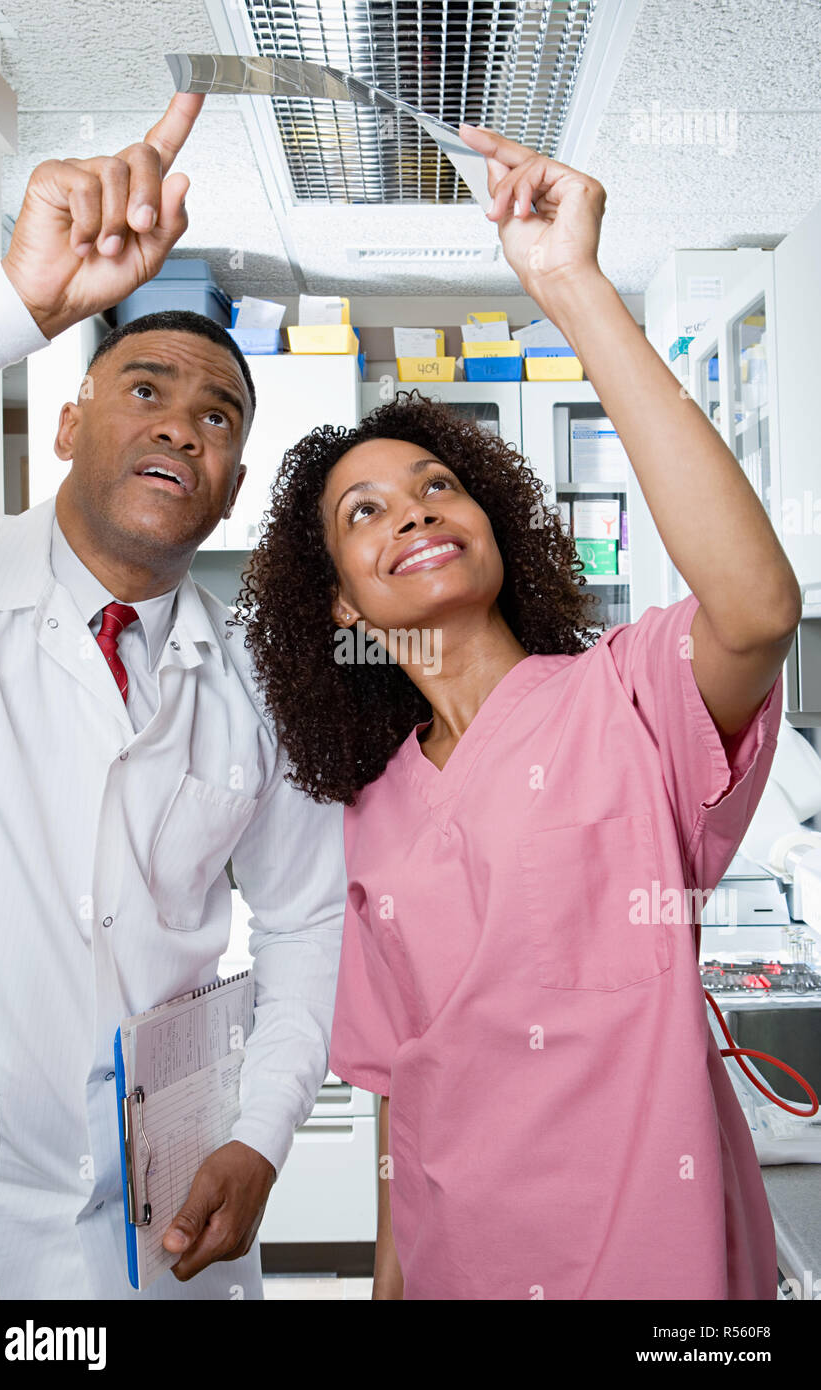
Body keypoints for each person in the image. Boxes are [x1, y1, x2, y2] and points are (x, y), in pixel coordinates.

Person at [236, 126, 803, 1300]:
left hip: (660, 1269)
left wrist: (568, 285)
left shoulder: (630, 695)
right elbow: (400, 1091)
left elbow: (753, 609)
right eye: (364, 511)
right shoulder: (372, 814)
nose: (411, 509)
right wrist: (386, 1289)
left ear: (491, 516)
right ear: (338, 599)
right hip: (460, 1263)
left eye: (437, 483)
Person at [0, 92, 346, 1300]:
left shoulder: (259, 688)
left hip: (165, 1230)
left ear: (230, 486)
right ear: (67, 424)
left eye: (218, 413)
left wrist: (263, 1131)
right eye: (145, 388)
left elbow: (304, 920)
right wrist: (16, 306)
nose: (183, 422)